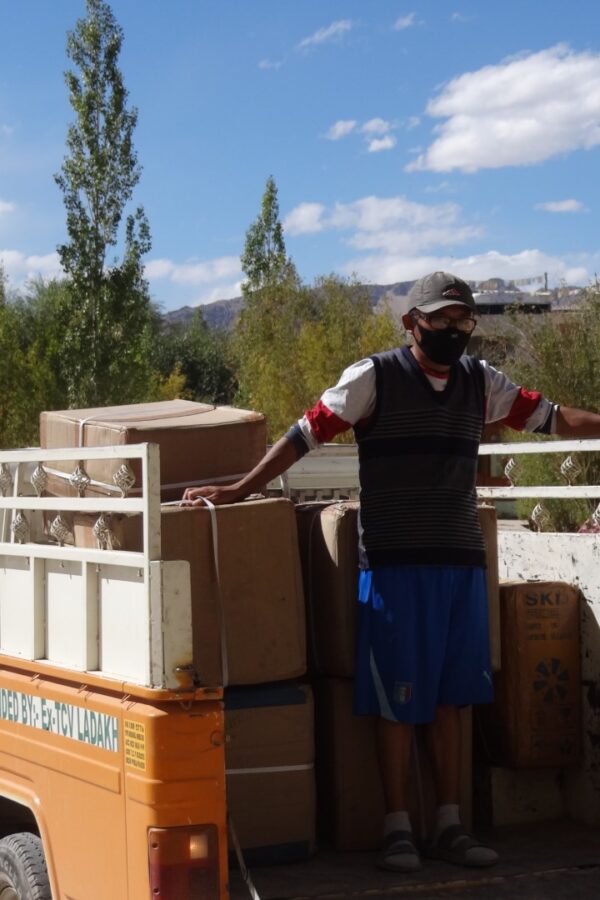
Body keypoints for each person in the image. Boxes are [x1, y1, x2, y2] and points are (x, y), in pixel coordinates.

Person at [183, 271, 600, 873]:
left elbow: (554, 418)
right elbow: (305, 434)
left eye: (463, 320)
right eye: (441, 319)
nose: (453, 329)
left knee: (453, 701)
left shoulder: (482, 382)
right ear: (412, 323)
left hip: (460, 561)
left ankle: (450, 827)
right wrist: (240, 490)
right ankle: (398, 829)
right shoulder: (373, 378)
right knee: (398, 700)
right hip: (395, 565)